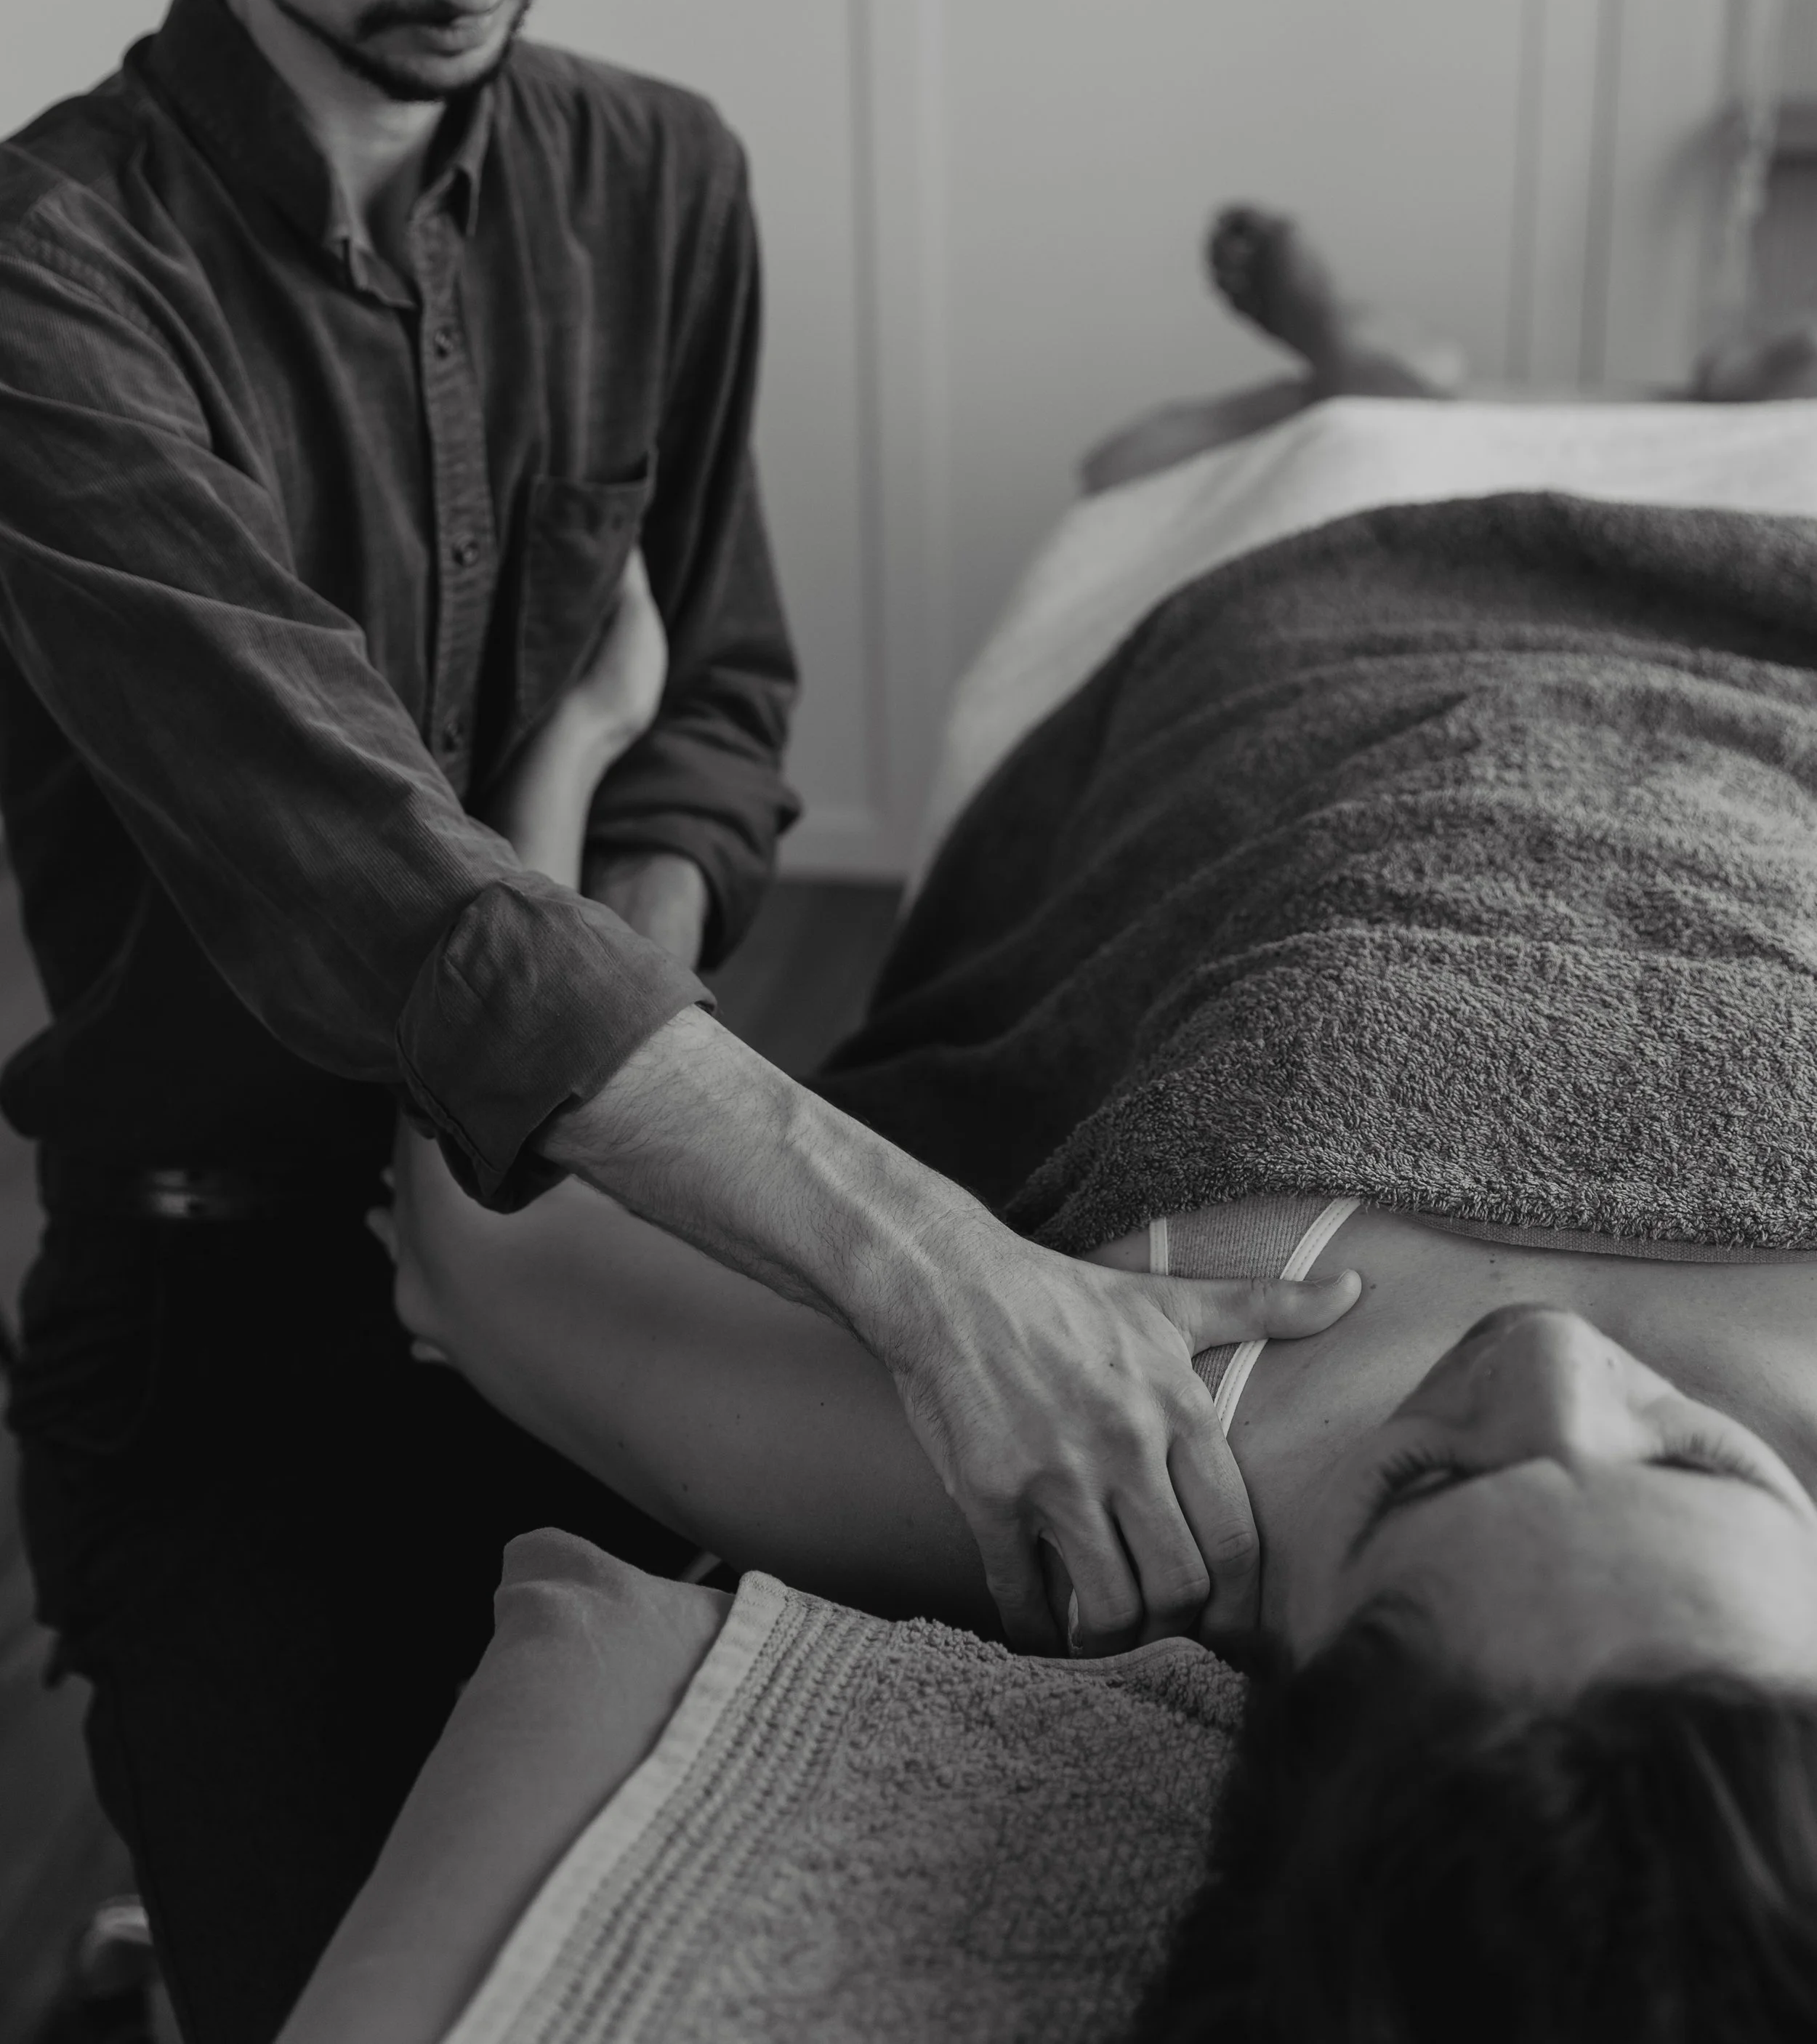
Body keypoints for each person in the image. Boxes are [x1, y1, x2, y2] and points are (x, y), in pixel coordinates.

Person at [0, 0, 1333, 2035]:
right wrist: (938, 1274)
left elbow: (715, 692)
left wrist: (611, 940)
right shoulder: (54, 294)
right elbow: (382, 897)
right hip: (224, 1313)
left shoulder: (662, 181)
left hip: (627, 1231)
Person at [384, 210, 1817, 2037]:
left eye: (1431, 1480)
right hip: (1758, 648)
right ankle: (1423, 374)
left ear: (1267, 1671)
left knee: (1188, 458)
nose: (1545, 1361)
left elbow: (478, 1241)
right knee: (1776, 389)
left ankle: (1380, 386)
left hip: (1305, 659)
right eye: (1699, 1465)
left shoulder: (1109, 1473)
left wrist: (573, 750)